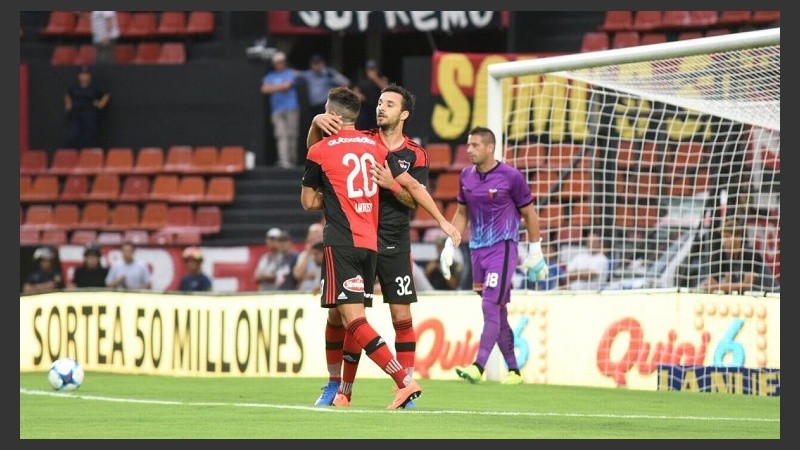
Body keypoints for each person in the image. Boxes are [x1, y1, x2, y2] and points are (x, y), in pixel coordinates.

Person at [300, 86, 460, 409]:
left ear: (404, 114)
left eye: (389, 104)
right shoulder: (370, 142)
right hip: (368, 238)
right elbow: (412, 186)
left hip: (383, 241)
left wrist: (392, 185)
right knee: (344, 316)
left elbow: (411, 193)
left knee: (379, 316)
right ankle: (342, 389)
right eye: (379, 102)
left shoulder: (414, 153)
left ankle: (402, 382)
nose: (381, 107)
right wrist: (317, 123)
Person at [440, 126, 548, 386]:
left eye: (475, 145)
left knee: (489, 306)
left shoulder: (511, 177)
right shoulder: (466, 176)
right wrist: (449, 244)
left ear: (490, 148)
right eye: (468, 145)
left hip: (503, 247)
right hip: (477, 250)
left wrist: (535, 249)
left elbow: (530, 214)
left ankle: (478, 366)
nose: (469, 150)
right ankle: (514, 370)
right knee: (497, 312)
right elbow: (462, 213)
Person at [699, 218, 773, 294]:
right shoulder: (729, 256)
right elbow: (728, 282)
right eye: (723, 237)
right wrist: (711, 283)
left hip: (771, 296)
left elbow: (746, 284)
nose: (723, 241)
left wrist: (716, 286)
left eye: (727, 237)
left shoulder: (750, 253)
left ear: (738, 237)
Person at [260, 51, 300, 168]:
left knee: (292, 134)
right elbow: (264, 89)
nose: (280, 64)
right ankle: (284, 161)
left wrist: (273, 88)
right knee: (281, 135)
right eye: (277, 63)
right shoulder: (270, 76)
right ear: (274, 64)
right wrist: (280, 87)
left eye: (281, 62)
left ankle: (292, 160)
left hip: (291, 108)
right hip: (277, 109)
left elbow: (287, 86)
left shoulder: (290, 73)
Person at [64, 65, 110, 149]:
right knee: (73, 135)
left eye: (86, 75)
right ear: (79, 76)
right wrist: (68, 104)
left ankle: (87, 155)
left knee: (89, 136)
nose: (84, 77)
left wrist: (101, 104)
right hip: (76, 113)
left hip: (89, 113)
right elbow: (67, 95)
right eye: (82, 75)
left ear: (89, 76)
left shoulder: (95, 87)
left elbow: (106, 94)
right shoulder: (74, 86)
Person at [353, 60, 388, 131]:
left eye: (373, 69)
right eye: (369, 69)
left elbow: (386, 89)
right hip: (365, 109)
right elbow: (355, 91)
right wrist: (359, 96)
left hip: (377, 109)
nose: (371, 72)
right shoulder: (362, 80)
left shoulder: (382, 79)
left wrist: (375, 78)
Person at [293, 222, 324, 293]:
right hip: (304, 292)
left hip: (319, 292)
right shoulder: (304, 254)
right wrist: (308, 253)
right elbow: (297, 275)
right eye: (312, 234)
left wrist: (306, 276)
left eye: (318, 234)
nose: (315, 237)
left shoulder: (328, 253)